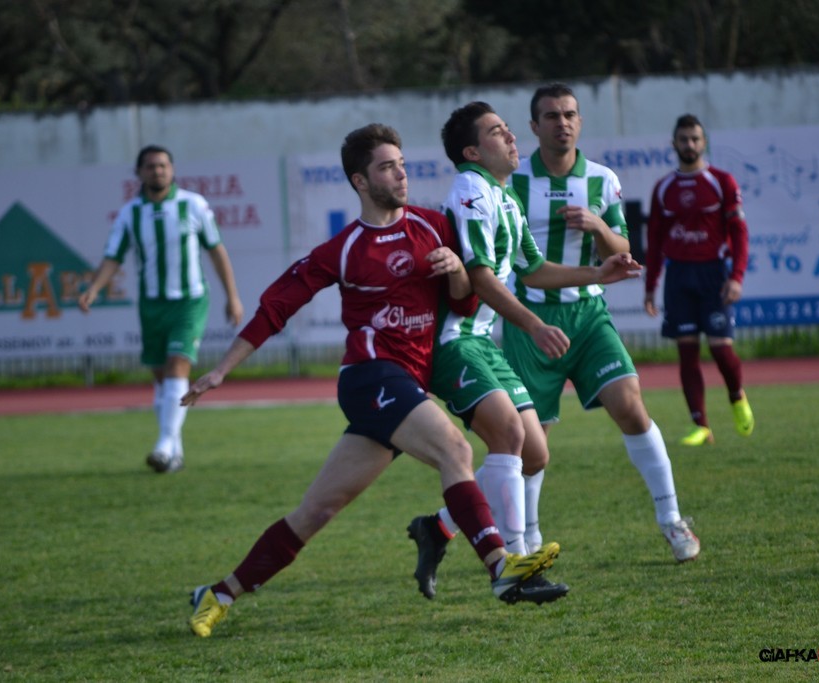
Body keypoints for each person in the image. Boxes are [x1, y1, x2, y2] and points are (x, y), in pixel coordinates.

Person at [181, 123, 567, 638]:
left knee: (317, 510)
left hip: (405, 387)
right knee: (455, 449)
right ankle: (501, 567)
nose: (401, 174)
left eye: (401, 164)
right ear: (360, 181)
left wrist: (456, 269)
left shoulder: (433, 226)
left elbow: (462, 302)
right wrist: (221, 370)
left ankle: (218, 593)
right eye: (387, 167)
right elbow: (277, 306)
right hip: (370, 377)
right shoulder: (344, 249)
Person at [407, 101, 645, 602]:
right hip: (453, 341)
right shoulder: (471, 190)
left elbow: (533, 271)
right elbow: (479, 276)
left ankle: (438, 527)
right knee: (511, 435)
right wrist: (534, 325)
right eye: (498, 132)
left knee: (534, 454)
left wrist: (598, 274)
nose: (513, 138)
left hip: (481, 341)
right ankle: (514, 565)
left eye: (509, 130)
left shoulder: (505, 197)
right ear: (473, 152)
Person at [79, 145, 244, 473]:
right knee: (162, 379)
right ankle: (173, 453)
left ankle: (164, 444)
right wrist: (94, 288)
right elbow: (113, 256)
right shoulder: (130, 213)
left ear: (172, 169)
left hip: (189, 300)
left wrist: (233, 296)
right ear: (139, 172)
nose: (158, 171)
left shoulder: (193, 204)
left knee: (177, 366)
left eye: (163, 165)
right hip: (152, 304)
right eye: (151, 166)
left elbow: (216, 251)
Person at [644, 114, 754, 446]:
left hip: (713, 275)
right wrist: (650, 287)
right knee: (687, 352)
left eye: (695, 138)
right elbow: (655, 242)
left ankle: (736, 396)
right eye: (683, 139)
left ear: (704, 142)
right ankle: (701, 425)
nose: (689, 144)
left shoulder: (721, 182)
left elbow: (740, 233)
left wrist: (736, 276)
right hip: (679, 277)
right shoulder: (664, 188)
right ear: (674, 144)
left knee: (721, 350)